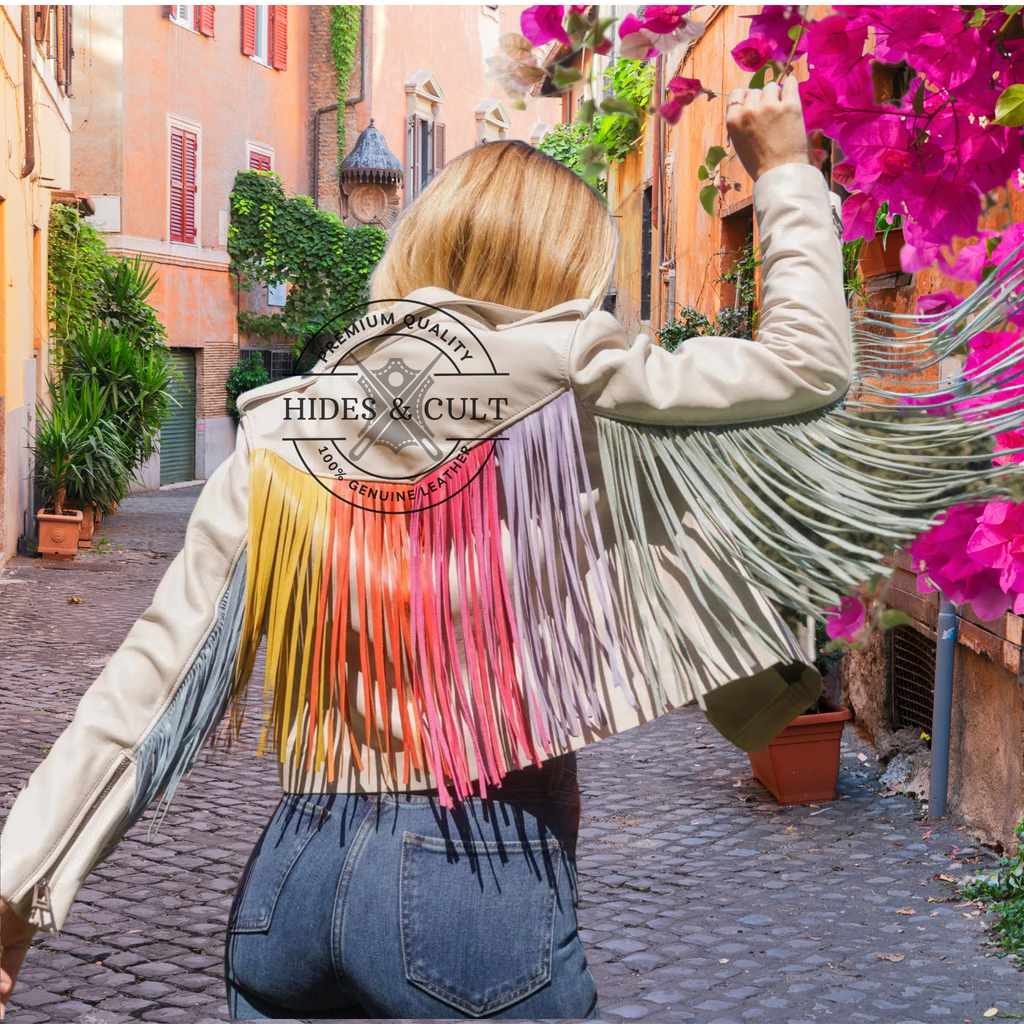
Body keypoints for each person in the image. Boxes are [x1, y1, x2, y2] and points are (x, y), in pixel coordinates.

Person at [1, 78, 1009, 1019]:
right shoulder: (580, 373)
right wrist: (785, 173)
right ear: (565, 271)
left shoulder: (284, 425)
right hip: (474, 881)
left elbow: (144, 693)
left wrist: (12, 895)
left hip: (288, 891)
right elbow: (808, 366)